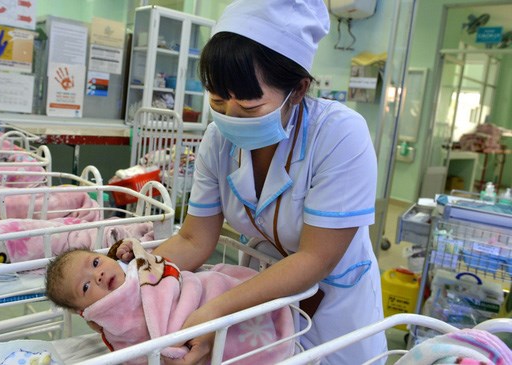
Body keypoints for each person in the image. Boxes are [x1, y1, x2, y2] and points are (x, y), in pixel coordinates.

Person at [123, 1, 388, 364]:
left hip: (333, 313)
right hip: (259, 306)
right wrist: (132, 273)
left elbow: (315, 258)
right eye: (217, 99)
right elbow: (194, 238)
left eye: (249, 107)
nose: (230, 116)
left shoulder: (339, 134)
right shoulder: (217, 141)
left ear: (297, 90)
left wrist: (218, 310)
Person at [45, 238, 295, 364]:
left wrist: (135, 254)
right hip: (198, 327)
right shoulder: (107, 317)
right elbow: (133, 341)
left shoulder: (131, 266)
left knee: (216, 285)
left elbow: (161, 272)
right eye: (86, 286)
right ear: (84, 310)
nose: (98, 275)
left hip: (204, 293)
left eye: (96, 262)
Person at [0, 218, 154, 263]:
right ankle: (143, 237)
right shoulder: (4, 234)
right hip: (69, 240)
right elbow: (32, 227)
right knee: (95, 236)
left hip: (62, 240)